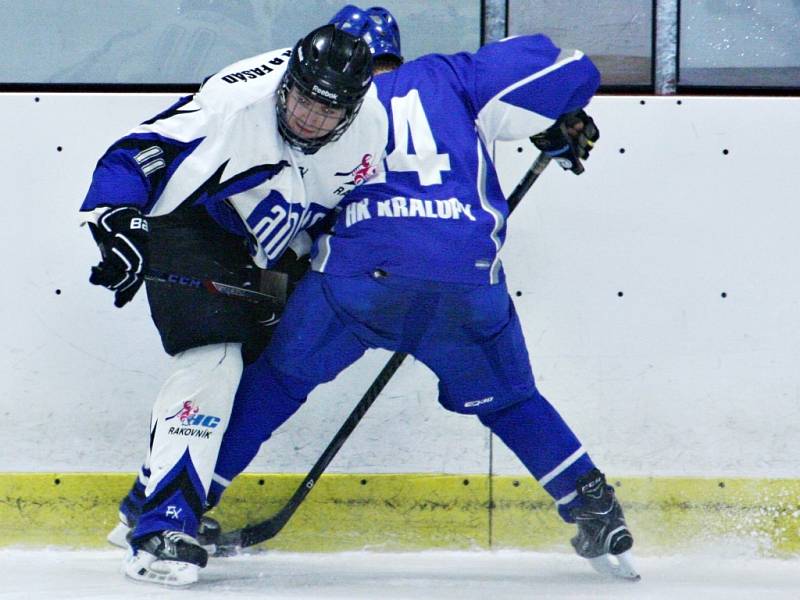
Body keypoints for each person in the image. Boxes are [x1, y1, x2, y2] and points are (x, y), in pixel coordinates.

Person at [210, 34, 639, 580]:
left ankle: (185, 503)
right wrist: (559, 112)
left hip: (362, 277)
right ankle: (593, 506)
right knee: (510, 400)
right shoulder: (452, 78)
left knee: (278, 380)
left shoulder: (312, 104)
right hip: (465, 275)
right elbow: (577, 67)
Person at [81, 23, 385, 585]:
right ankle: (161, 531)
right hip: (191, 221)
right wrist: (119, 218)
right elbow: (134, 154)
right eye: (303, 100)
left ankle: (141, 509)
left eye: (329, 111)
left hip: (263, 246)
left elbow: (337, 208)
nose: (310, 119)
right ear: (286, 83)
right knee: (214, 358)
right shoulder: (234, 101)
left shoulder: (371, 127)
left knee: (254, 368)